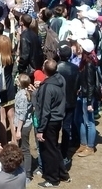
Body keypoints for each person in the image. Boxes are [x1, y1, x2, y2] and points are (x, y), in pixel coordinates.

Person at [34, 59, 69, 187]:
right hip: (58, 118)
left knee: (48, 151)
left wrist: (40, 129)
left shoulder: (47, 88)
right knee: (54, 148)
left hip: (49, 122)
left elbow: (45, 110)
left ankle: (52, 178)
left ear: (45, 70)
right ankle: (63, 174)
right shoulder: (60, 79)